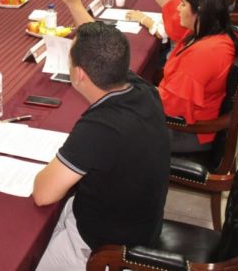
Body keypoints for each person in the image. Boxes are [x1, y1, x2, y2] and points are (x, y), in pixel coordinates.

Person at [58, 0, 238, 153]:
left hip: (183, 131)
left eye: (183, 4)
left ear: (200, 10)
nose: (178, 8)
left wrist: (121, 92)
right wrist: (74, 2)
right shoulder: (209, 32)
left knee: (101, 125)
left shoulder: (204, 54)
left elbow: (166, 108)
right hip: (177, 112)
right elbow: (169, 2)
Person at [32, 22, 170, 270]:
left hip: (105, 246)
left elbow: (43, 194)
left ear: (79, 74)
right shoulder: (143, 89)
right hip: (139, 221)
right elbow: (105, 46)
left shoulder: (101, 127)